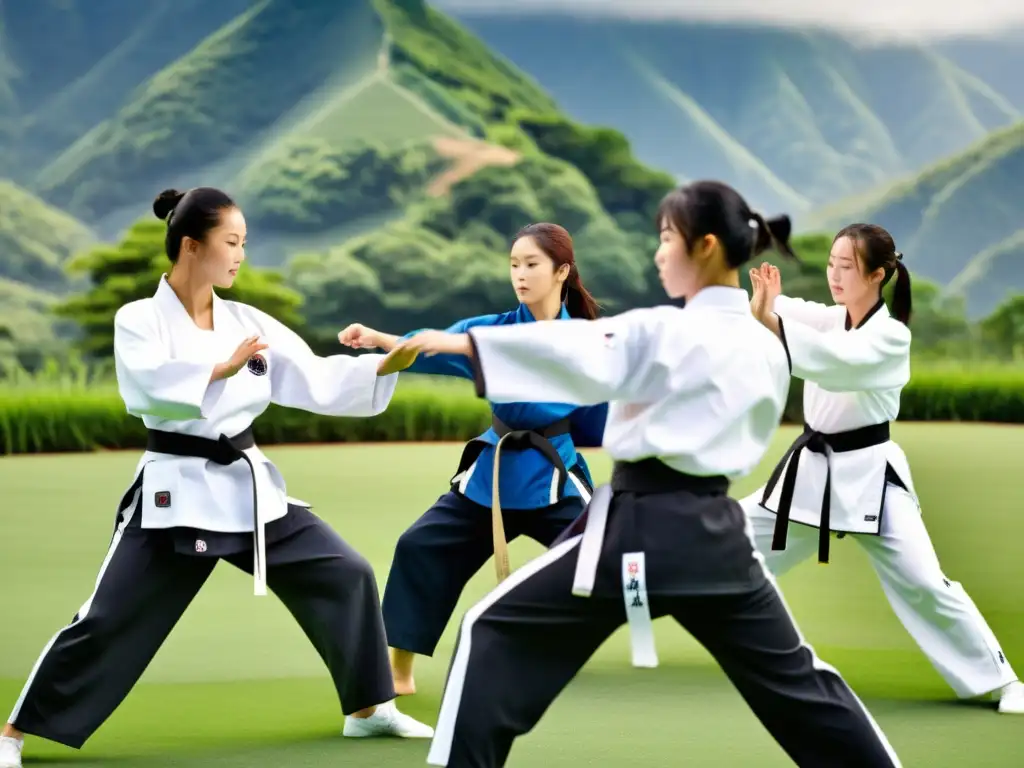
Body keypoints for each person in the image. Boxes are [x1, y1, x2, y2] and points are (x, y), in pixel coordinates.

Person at [379, 182, 903, 767]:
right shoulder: (765, 345)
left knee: (489, 631)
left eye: (666, 238)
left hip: (635, 529)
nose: (658, 253)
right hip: (719, 536)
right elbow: (577, 349)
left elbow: (570, 353)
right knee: (802, 687)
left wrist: (455, 345)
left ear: (704, 246)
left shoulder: (661, 329)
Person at [0, 187, 433, 768]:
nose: (239, 256)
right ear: (190, 246)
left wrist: (385, 364)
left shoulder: (246, 321)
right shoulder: (139, 319)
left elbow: (313, 377)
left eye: (243, 244)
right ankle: (12, 733)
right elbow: (149, 387)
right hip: (175, 491)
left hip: (247, 488)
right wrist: (217, 368)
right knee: (111, 617)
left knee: (344, 571)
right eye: (231, 242)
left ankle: (367, 710)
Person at [739, 223, 1023, 715]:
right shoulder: (832, 320)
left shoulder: (890, 337)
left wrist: (770, 319)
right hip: (811, 476)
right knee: (725, 542)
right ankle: (621, 598)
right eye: (830, 264)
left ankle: (1003, 681)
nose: (834, 275)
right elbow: (793, 315)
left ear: (877, 274)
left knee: (924, 582)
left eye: (845, 267)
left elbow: (832, 360)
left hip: (873, 480)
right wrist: (744, 293)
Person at [337, 223, 608, 698]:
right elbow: (434, 343)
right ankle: (398, 671)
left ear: (562, 271)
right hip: (492, 476)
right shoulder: (494, 329)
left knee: (610, 557)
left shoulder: (583, 338)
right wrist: (378, 337)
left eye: (531, 265)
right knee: (421, 546)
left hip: (555, 475)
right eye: (513, 265)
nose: (519, 275)